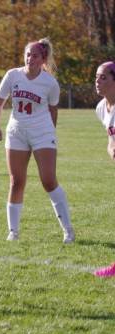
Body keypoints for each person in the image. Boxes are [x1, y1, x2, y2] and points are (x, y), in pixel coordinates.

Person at [0, 38, 74, 243]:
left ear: (43, 58)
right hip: (16, 131)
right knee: (16, 181)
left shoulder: (50, 83)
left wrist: (49, 134)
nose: (30, 58)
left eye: (35, 55)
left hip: (42, 133)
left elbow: (53, 110)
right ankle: (13, 232)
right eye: (28, 54)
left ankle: (68, 230)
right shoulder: (13, 75)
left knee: (48, 180)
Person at [91, 62, 115, 277]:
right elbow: (110, 139)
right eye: (97, 77)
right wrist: (111, 150)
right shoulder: (101, 108)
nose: (97, 81)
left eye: (103, 77)